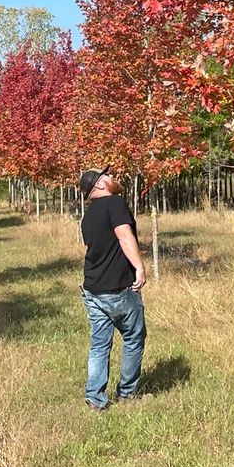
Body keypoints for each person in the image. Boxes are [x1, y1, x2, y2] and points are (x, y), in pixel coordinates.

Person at [79, 166, 147, 410]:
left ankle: (95, 398)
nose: (112, 177)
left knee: (99, 343)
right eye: (106, 175)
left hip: (92, 288)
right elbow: (123, 236)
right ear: (99, 185)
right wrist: (139, 266)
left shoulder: (88, 215)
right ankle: (127, 393)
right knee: (134, 337)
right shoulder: (115, 203)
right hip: (117, 288)